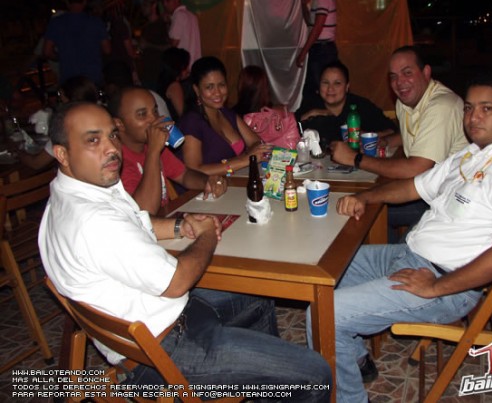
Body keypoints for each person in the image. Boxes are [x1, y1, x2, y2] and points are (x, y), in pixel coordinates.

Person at [39, 102, 332, 401]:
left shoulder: (67, 196)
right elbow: (178, 280)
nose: (112, 148)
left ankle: (268, 388)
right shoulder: (94, 221)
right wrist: (206, 236)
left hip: (161, 319)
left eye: (112, 135)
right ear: (62, 153)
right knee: (315, 374)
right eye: (93, 140)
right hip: (165, 354)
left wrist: (180, 225)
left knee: (258, 296)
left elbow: (137, 221)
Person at [318, 70, 492, 403]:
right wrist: (366, 197)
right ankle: (355, 359)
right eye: (469, 108)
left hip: (444, 283)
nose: (473, 117)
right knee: (325, 271)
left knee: (326, 313)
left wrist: (436, 287)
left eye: (487, 109)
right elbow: (414, 187)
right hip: (408, 256)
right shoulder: (471, 154)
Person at [330, 45, 468, 242]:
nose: (399, 82)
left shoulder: (441, 106)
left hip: (449, 203)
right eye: (393, 76)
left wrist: (355, 158)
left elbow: (415, 168)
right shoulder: (405, 101)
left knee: (360, 212)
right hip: (425, 190)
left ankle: (395, 253)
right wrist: (385, 141)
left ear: (426, 72)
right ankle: (390, 247)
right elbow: (414, 134)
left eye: (407, 73)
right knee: (359, 203)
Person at [109, 86, 226, 215]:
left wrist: (208, 181)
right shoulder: (117, 162)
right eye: (142, 114)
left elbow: (184, 175)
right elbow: (144, 212)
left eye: (155, 111)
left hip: (166, 217)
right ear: (119, 124)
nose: (154, 119)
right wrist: (153, 151)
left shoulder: (152, 146)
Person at [179, 56, 272, 176]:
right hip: (205, 187)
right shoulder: (191, 122)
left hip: (235, 181)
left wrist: (250, 154)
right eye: (209, 87)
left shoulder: (227, 114)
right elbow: (193, 171)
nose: (217, 92)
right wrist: (245, 160)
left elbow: (257, 143)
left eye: (221, 85)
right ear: (196, 90)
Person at [295, 60, 397, 148]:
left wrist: (366, 136)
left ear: (347, 87)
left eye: (337, 83)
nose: (330, 88)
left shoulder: (360, 106)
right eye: (325, 82)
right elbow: (292, 127)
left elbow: (392, 129)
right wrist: (311, 114)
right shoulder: (311, 104)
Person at [42, 0, 111, 85]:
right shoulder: (96, 22)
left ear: (67, 2)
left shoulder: (56, 23)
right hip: (93, 77)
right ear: (84, 2)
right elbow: (107, 50)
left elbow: (47, 51)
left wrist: (60, 56)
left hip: (69, 78)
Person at [296, 0, 338, 99]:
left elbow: (317, 28)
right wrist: (304, 5)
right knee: (316, 87)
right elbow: (310, 23)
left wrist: (303, 52)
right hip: (321, 49)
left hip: (323, 50)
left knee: (319, 87)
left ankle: (321, 110)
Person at [102, 0, 139, 84]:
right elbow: (129, 51)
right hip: (123, 67)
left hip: (108, 67)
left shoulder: (104, 23)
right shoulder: (120, 23)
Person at [159, 0, 201, 69]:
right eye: (163, 2)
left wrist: (167, 24)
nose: (165, 5)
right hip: (195, 64)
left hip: (183, 67)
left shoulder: (178, 15)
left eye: (167, 1)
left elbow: (173, 43)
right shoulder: (192, 15)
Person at [136, 0, 172, 90]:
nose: (143, 8)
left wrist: (148, 45)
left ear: (154, 5)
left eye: (145, 5)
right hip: (147, 73)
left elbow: (170, 47)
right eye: (142, 5)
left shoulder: (162, 24)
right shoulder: (146, 27)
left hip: (158, 74)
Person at [156, 47, 195, 121]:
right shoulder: (174, 86)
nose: (188, 70)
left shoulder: (164, 82)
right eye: (185, 66)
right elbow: (183, 114)